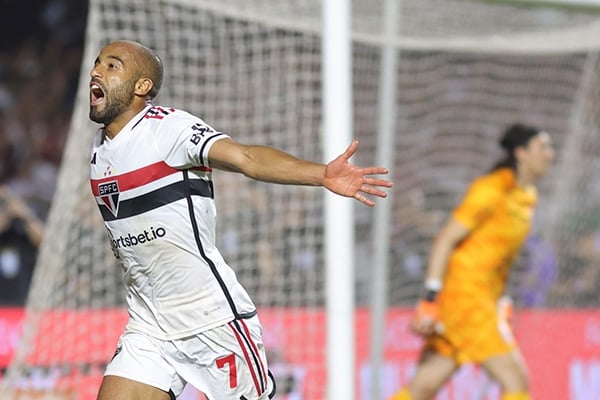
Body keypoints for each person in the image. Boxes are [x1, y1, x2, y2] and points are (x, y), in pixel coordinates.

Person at [87, 40, 392, 400]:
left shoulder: (167, 129)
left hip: (212, 320)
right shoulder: (99, 148)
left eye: (112, 65)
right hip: (149, 323)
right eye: (97, 63)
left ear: (142, 87)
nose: (96, 71)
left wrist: (322, 173)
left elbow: (247, 157)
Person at [389, 123, 554, 400]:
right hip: (466, 298)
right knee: (515, 379)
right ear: (521, 153)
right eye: (543, 148)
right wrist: (430, 297)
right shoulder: (490, 190)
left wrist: (500, 299)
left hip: (482, 298)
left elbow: (496, 257)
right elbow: (445, 239)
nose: (551, 155)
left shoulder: (527, 197)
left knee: (425, 385)